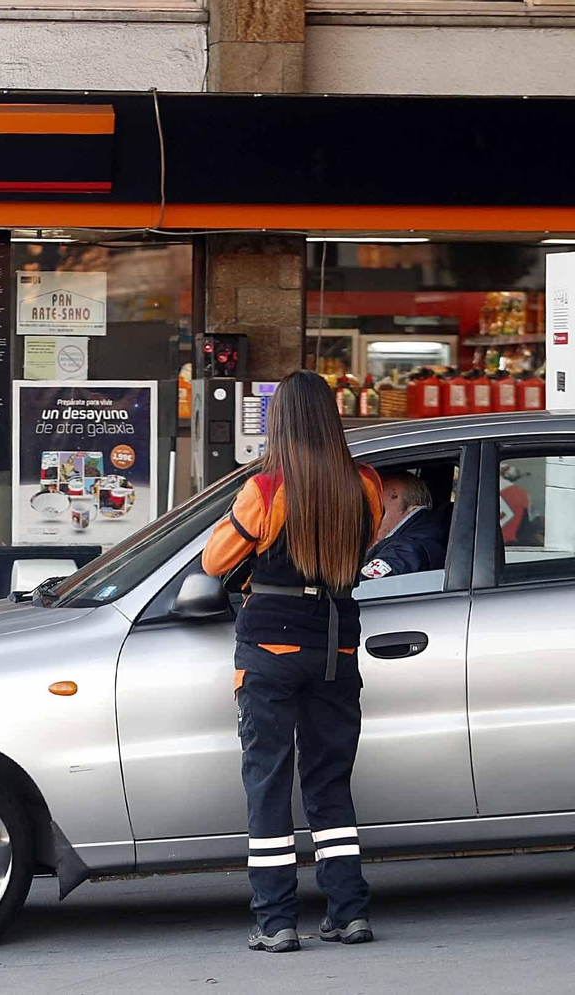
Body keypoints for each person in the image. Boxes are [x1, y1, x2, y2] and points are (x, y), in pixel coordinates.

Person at [202, 370, 383, 954]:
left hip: (270, 652)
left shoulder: (265, 489)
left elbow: (214, 561)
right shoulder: (366, 484)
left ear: (279, 421)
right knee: (330, 782)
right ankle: (349, 912)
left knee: (268, 782)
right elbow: (358, 550)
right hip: (336, 649)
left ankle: (276, 920)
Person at [361, 470, 448, 579]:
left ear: (394, 493)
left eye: (372, 492)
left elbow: (365, 584)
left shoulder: (405, 548)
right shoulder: (430, 529)